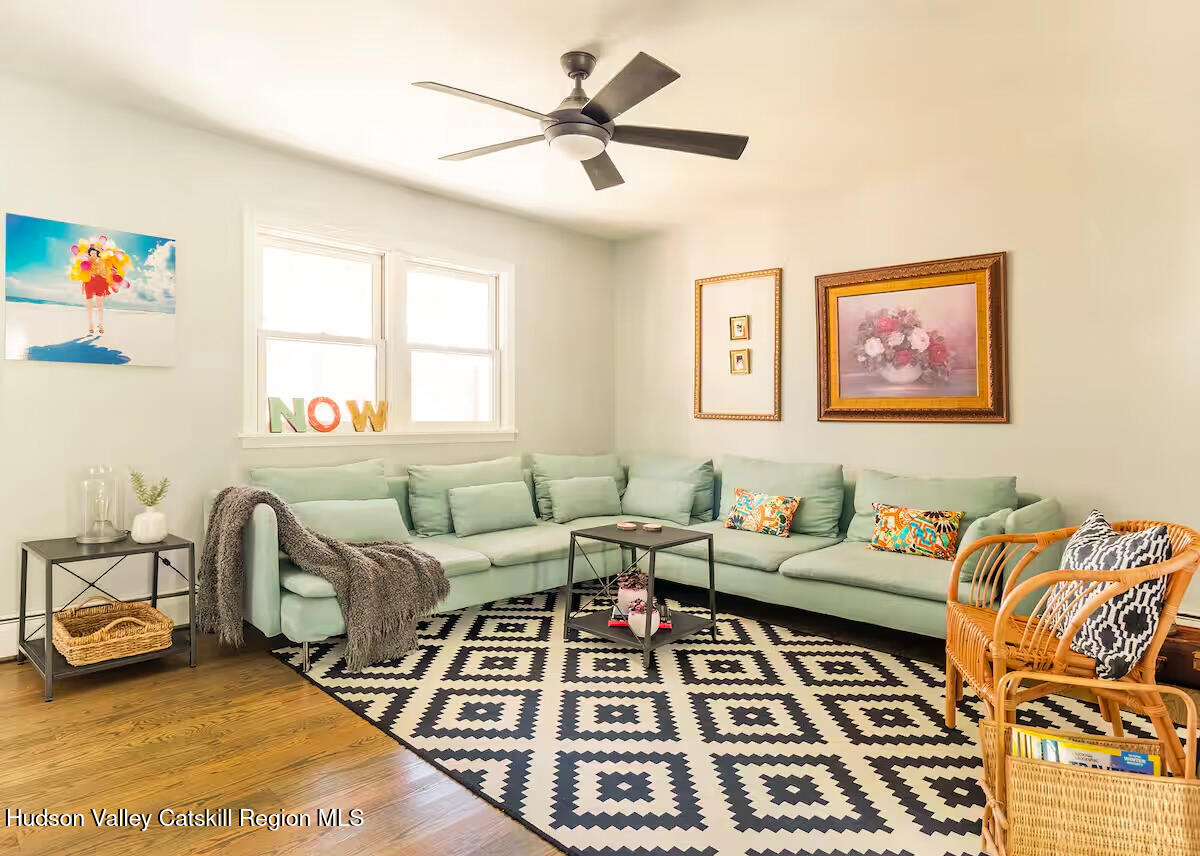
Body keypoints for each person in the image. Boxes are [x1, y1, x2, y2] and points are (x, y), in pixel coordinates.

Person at [81, 246, 111, 335]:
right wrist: (83, 284)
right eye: (91, 253)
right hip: (89, 283)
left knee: (100, 306)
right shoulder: (86, 261)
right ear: (89, 254)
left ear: (97, 253)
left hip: (100, 283)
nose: (93, 254)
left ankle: (100, 325)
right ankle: (90, 325)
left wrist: (106, 286)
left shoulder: (102, 261)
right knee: (89, 306)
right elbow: (83, 274)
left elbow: (106, 273)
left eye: (95, 253)